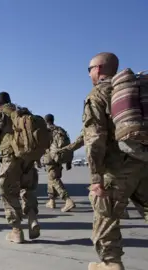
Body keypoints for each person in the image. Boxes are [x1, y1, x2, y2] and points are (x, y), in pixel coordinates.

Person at [79, 52, 148, 270]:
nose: (89, 73)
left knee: (105, 216)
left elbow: (95, 139)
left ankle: (111, 263)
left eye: (89, 69)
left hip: (116, 169)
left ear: (97, 69)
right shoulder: (135, 91)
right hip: (143, 163)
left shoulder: (98, 94)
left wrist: (96, 177)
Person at [0, 92, 41, 242]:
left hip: (10, 157)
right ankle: (32, 217)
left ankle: (16, 230)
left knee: (5, 190)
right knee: (27, 189)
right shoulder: (24, 112)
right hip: (28, 158)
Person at [43, 113, 76, 212]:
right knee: (51, 178)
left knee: (54, 179)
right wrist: (68, 161)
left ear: (45, 121)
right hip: (59, 157)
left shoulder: (47, 131)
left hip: (51, 157)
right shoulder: (60, 130)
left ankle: (68, 200)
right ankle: (51, 200)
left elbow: (44, 145)